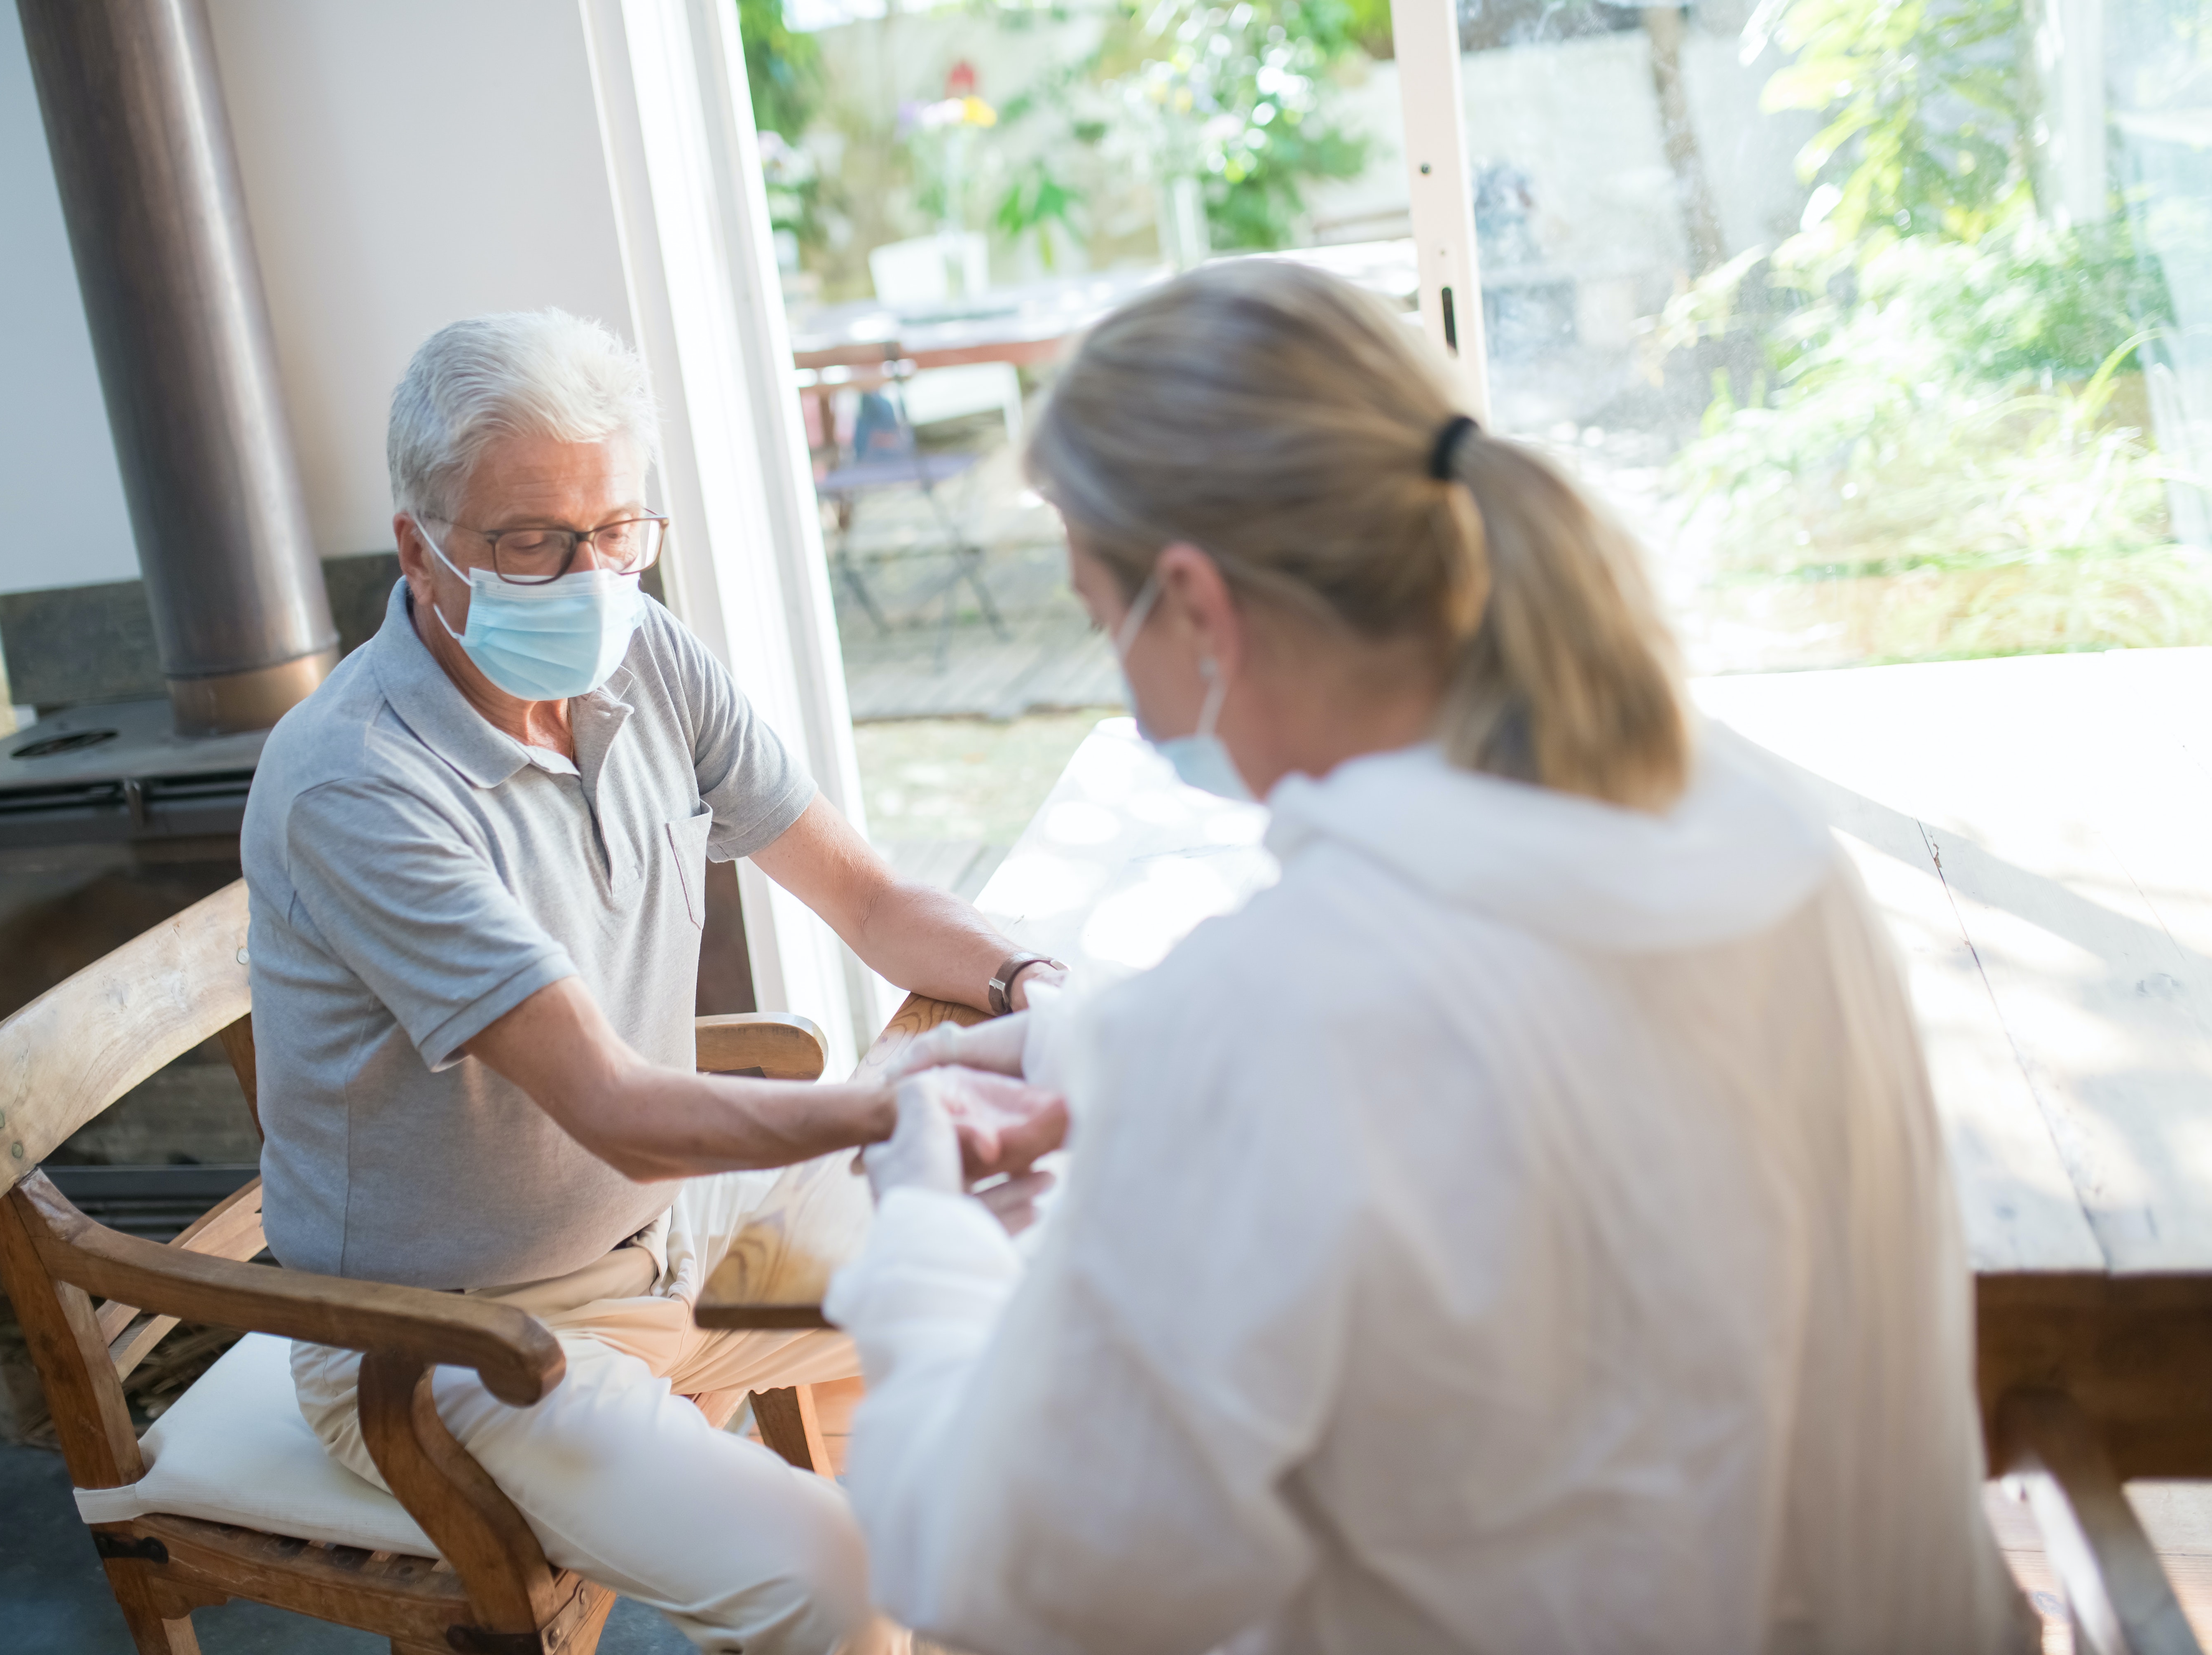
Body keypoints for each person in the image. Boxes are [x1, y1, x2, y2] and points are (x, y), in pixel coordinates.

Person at [824, 260, 2034, 1654]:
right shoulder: (1750, 833)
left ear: (1199, 609)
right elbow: (1507, 1047)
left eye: (1107, 623)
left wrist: (922, 1230)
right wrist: (1085, 1047)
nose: (1121, 674)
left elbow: (1010, 1566)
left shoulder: (1281, 1019)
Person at [239, 309, 1065, 1655]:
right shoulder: (357, 781)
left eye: (618, 530)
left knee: (1053, 1293)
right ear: (420, 549)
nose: (589, 576)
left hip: (670, 1225)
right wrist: (906, 1104)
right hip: (448, 1344)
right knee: (838, 1588)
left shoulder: (642, 656)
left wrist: (1033, 988)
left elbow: (866, 899)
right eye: (532, 543)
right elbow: (615, 1104)